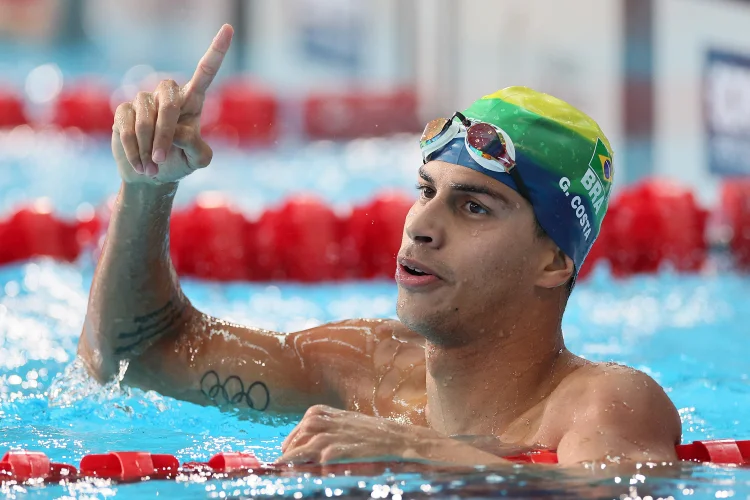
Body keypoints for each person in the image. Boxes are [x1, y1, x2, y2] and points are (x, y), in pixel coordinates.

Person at [77, 24, 681, 467]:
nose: (422, 225)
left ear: (553, 260)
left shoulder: (605, 403)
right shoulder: (365, 369)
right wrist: (145, 187)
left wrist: (421, 453)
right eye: (427, 190)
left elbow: (602, 487)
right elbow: (134, 355)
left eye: (474, 206)